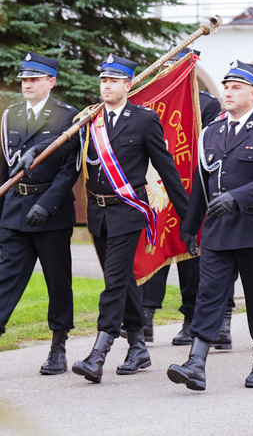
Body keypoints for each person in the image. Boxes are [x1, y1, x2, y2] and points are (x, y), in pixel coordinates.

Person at [0, 53, 80, 376]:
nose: (27, 84)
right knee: (6, 278)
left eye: (34, 79)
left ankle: (58, 347)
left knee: (57, 280)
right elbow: (4, 166)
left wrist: (46, 205)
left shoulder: (68, 117)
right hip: (15, 209)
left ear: (51, 82)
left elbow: (71, 170)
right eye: (24, 79)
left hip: (50, 213)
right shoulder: (10, 115)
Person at [168, 61, 253, 390]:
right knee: (209, 295)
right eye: (226, 85)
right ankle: (196, 363)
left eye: (236, 87)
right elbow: (200, 184)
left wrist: (237, 198)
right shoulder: (212, 132)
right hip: (219, 230)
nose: (228, 91)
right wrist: (189, 228)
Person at [73, 53, 189, 384]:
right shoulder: (91, 120)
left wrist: (188, 217)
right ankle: (138, 346)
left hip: (128, 212)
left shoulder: (144, 120)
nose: (106, 86)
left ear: (129, 84)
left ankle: (99, 351)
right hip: (98, 213)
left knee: (112, 281)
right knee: (123, 280)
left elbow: (167, 169)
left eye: (113, 80)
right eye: (103, 80)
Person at [140, 48, 225, 346]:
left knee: (190, 254)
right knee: (155, 246)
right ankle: (146, 315)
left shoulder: (207, 105)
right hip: (158, 186)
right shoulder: (151, 102)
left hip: (193, 187)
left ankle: (191, 318)